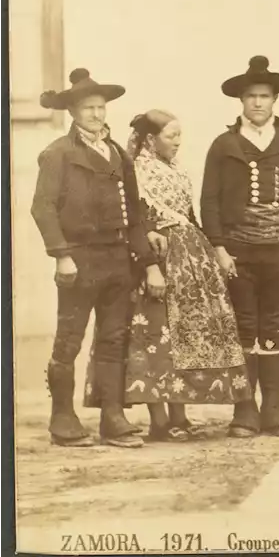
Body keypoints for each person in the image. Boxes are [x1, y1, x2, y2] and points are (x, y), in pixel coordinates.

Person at [31, 69, 165, 448]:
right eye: (87, 107)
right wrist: (61, 255)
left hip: (118, 259)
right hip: (79, 259)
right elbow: (43, 209)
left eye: (100, 107)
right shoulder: (58, 153)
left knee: (113, 339)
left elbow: (135, 214)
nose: (95, 114)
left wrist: (147, 262)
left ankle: (112, 417)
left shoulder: (119, 153)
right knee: (69, 340)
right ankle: (62, 418)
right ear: (73, 111)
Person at [202, 56, 279, 439]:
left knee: (273, 324)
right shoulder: (224, 145)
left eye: (264, 96)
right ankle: (244, 409)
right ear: (240, 101)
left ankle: (273, 407)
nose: (257, 103)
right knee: (244, 324)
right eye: (251, 96)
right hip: (238, 249)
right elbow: (210, 200)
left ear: (274, 100)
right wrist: (218, 246)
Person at [122, 110, 251, 442]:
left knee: (185, 336)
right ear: (150, 139)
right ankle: (158, 419)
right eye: (171, 136)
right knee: (156, 334)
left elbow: (189, 214)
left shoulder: (175, 170)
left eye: (179, 136)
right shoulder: (136, 171)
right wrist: (149, 261)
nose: (178, 143)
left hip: (190, 256)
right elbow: (135, 218)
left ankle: (179, 413)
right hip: (159, 256)